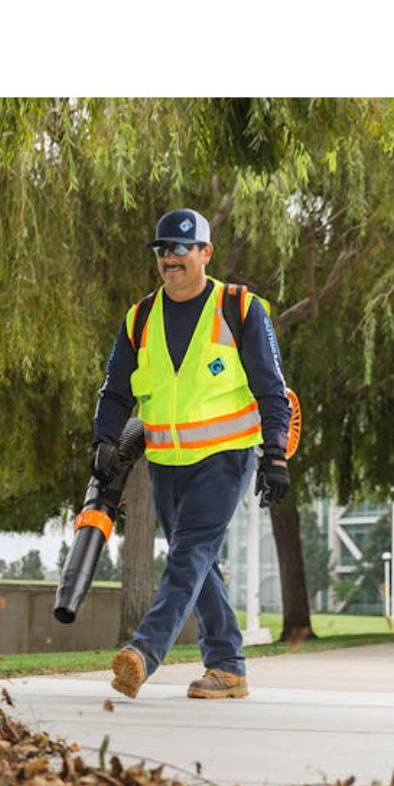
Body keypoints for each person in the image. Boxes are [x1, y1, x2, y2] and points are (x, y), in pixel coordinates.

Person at [92, 208, 291, 700]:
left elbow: (272, 389)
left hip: (225, 458)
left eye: (182, 248)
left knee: (188, 554)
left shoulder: (240, 308)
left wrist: (276, 455)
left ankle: (142, 653)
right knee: (199, 565)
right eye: (164, 249)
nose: (171, 257)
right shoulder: (140, 318)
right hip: (165, 462)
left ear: (206, 252)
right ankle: (228, 667)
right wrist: (104, 440)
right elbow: (116, 390)